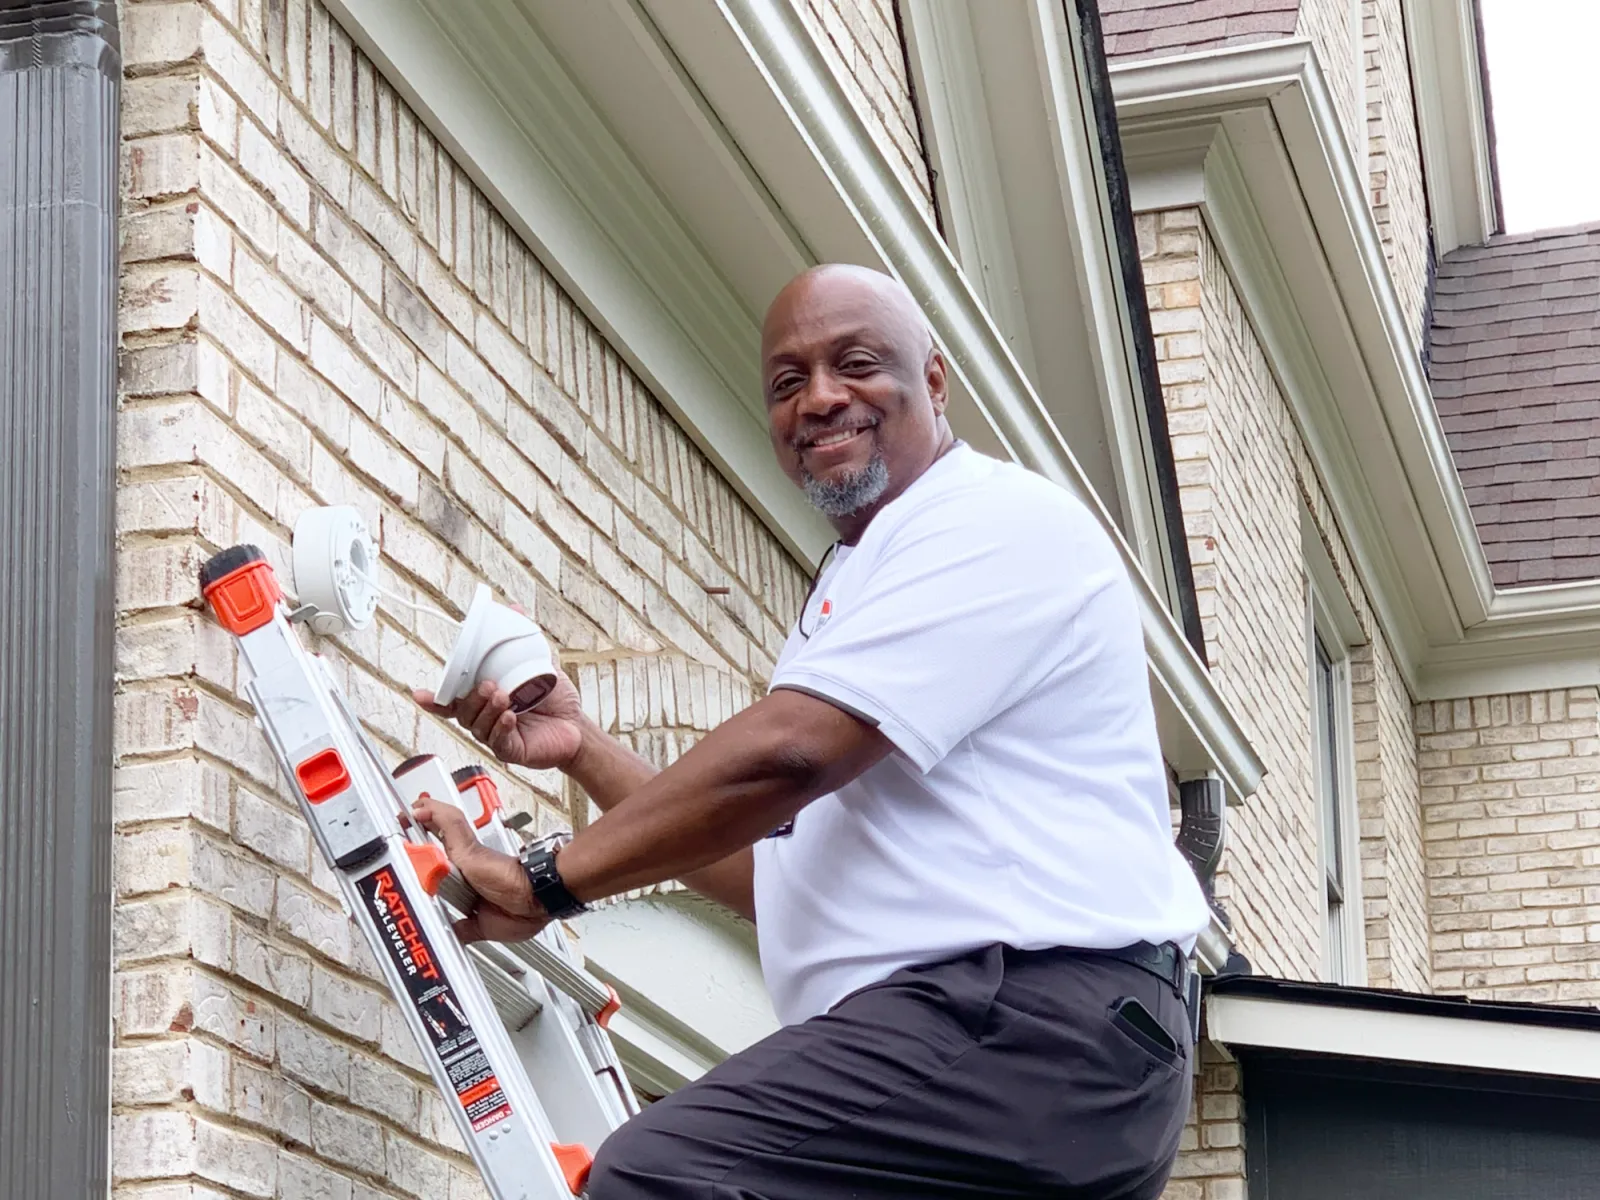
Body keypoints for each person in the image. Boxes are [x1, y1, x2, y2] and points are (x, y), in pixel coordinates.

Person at [411, 263, 1211, 1198]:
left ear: (936, 381)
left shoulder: (992, 522)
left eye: (857, 364)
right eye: (789, 384)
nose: (822, 399)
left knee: (664, 1177)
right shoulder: (857, 585)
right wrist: (584, 750)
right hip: (1019, 1054)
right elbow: (772, 875)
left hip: (1027, 1030)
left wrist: (546, 880)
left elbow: (786, 757)